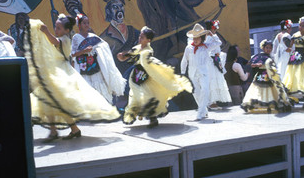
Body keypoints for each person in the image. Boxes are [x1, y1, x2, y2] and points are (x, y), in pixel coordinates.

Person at [24, 14, 120, 142]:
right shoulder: (64, 38)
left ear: (67, 30)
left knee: (56, 101)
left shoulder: (65, 40)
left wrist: (46, 31)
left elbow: (55, 42)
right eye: (55, 27)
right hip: (56, 72)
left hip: (62, 73)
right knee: (50, 101)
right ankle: (60, 130)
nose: (56, 30)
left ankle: (67, 130)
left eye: (59, 28)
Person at [117, 26, 192, 127]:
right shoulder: (138, 47)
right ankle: (138, 114)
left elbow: (138, 56)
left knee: (150, 94)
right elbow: (130, 53)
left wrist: (127, 55)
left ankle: (154, 115)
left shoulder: (148, 49)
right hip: (139, 73)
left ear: (148, 40)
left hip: (149, 73)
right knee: (137, 93)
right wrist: (122, 56)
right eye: (140, 36)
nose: (139, 38)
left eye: (142, 37)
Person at [71, 14, 126, 104]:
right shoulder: (76, 38)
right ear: (79, 24)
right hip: (84, 68)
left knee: (100, 87)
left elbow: (104, 45)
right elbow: (73, 54)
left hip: (96, 67)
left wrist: (97, 50)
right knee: (88, 90)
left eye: (88, 23)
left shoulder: (92, 36)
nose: (87, 25)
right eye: (84, 23)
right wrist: (84, 51)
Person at [241, 39, 293, 113]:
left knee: (271, 90)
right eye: (267, 47)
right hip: (261, 76)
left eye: (270, 48)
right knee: (259, 90)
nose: (269, 49)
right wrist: (257, 65)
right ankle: (261, 104)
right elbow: (251, 64)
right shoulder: (259, 56)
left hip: (270, 76)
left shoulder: (271, 56)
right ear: (263, 48)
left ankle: (269, 105)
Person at [180, 23, 219, 120]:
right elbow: (184, 60)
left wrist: (212, 35)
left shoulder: (207, 46)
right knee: (196, 93)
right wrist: (182, 73)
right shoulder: (189, 48)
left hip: (204, 73)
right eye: (194, 37)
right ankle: (204, 111)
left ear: (202, 38)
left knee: (205, 90)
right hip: (192, 73)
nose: (195, 40)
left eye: (197, 37)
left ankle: (199, 114)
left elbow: (219, 43)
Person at [204, 20, 232, 110]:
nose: (215, 30)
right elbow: (216, 45)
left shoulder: (212, 36)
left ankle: (214, 101)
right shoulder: (209, 37)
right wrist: (213, 36)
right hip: (211, 61)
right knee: (212, 80)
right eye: (214, 28)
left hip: (215, 60)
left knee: (216, 80)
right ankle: (210, 102)